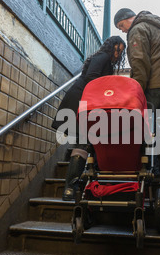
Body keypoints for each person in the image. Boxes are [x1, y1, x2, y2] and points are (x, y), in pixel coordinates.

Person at [52, 36, 126, 201]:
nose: (118, 54)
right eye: (117, 49)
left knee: (88, 141)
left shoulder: (103, 58)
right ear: (111, 46)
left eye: (120, 52)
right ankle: (70, 188)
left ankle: (80, 187)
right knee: (85, 142)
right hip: (81, 101)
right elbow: (92, 77)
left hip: (86, 101)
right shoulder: (103, 57)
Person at [114, 8, 160, 173]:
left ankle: (154, 167)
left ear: (130, 18)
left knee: (142, 121)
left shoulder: (137, 29)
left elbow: (139, 61)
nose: (122, 30)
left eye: (121, 25)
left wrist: (136, 91)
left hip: (154, 83)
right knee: (149, 120)